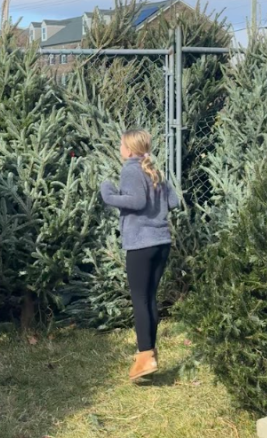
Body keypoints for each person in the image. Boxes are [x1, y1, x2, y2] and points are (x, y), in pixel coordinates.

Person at [100, 129, 179, 381]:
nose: (119, 147)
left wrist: (108, 193)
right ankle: (150, 353)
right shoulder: (154, 169)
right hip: (161, 242)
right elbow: (174, 201)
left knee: (140, 299)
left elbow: (136, 201)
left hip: (140, 244)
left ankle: (144, 357)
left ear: (130, 149)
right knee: (149, 299)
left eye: (121, 143)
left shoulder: (131, 169)